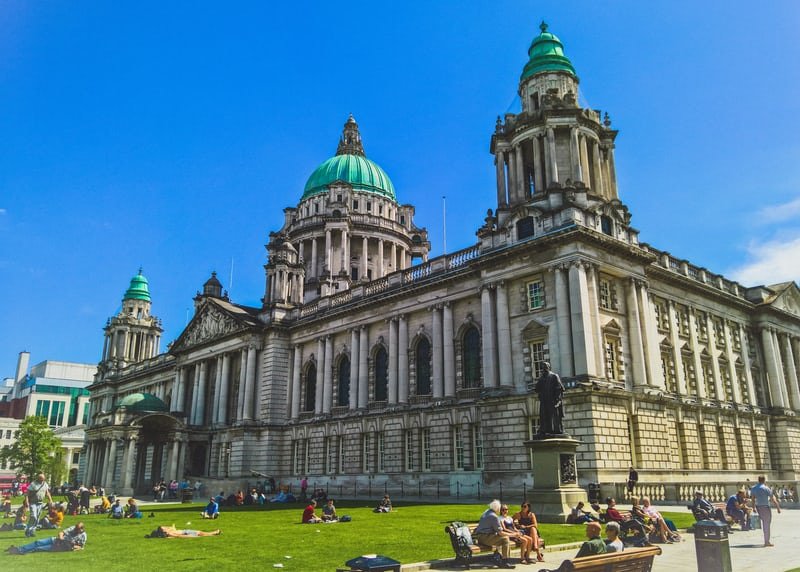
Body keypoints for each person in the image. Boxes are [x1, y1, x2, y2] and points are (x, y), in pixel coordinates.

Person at [472, 500, 514, 569]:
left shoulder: (486, 512)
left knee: (501, 538)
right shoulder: (493, 516)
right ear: (497, 508)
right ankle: (505, 562)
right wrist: (513, 535)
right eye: (500, 508)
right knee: (505, 539)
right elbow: (500, 532)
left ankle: (498, 557)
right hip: (484, 537)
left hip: (480, 537)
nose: (500, 510)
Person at [6, 522, 86, 554]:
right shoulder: (73, 528)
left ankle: (19, 551)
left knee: (38, 548)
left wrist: (72, 546)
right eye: (76, 527)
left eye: (77, 528)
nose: (75, 529)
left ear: (82, 529)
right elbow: (61, 532)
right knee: (37, 542)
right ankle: (19, 549)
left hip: (59, 546)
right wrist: (61, 537)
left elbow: (81, 546)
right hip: (55, 540)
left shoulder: (83, 536)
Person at [534, 362, 564, 435]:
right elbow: (537, 389)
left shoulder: (554, 376)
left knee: (554, 416)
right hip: (544, 401)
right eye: (542, 368)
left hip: (552, 401)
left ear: (548, 367)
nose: (543, 369)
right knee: (544, 415)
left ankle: (556, 430)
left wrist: (558, 400)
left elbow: (559, 388)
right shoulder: (541, 378)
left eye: (545, 367)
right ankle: (544, 430)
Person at [750, 475, 781, 547]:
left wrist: (753, 507)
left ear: (758, 480)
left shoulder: (754, 488)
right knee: (766, 524)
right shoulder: (766, 488)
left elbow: (753, 499)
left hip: (758, 507)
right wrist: (778, 508)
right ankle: (766, 541)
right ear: (764, 480)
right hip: (765, 507)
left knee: (764, 523)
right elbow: (773, 499)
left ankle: (766, 540)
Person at [25, 472, 53, 537]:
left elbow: (47, 493)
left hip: (40, 503)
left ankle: (32, 531)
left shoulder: (45, 484)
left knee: (37, 518)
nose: (42, 480)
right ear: (38, 478)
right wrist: (27, 501)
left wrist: (50, 500)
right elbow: (27, 493)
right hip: (33, 503)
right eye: (41, 479)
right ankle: (28, 530)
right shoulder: (33, 484)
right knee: (33, 516)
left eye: (43, 479)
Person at [146, 525, 221, 538]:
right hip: (186, 532)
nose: (165, 528)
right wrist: (192, 536)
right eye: (163, 529)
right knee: (202, 533)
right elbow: (179, 536)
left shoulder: (168, 532)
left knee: (202, 533)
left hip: (185, 531)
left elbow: (173, 528)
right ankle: (214, 533)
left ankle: (214, 533)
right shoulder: (169, 534)